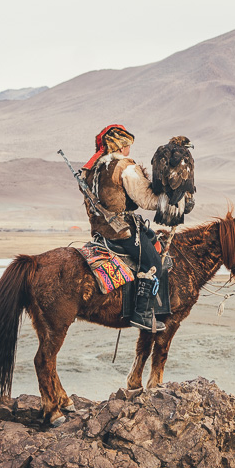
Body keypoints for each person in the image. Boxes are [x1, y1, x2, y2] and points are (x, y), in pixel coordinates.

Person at [80, 124, 169, 331]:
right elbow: (146, 200)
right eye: (128, 145)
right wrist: (171, 202)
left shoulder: (93, 169)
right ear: (121, 147)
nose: (130, 149)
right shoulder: (124, 167)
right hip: (121, 230)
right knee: (153, 263)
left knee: (154, 241)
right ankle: (142, 313)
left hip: (99, 230)